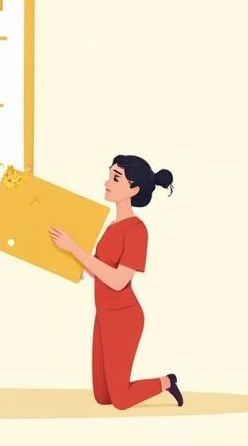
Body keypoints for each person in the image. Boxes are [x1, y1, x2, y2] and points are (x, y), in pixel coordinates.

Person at [48, 154, 183, 410]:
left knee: (120, 401)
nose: (107, 182)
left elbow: (119, 281)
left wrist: (74, 249)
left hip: (124, 317)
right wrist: (71, 261)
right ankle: (156, 384)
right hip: (103, 314)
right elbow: (97, 271)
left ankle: (167, 381)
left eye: (115, 178)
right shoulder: (111, 227)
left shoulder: (136, 230)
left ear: (133, 189)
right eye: (109, 175)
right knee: (102, 397)